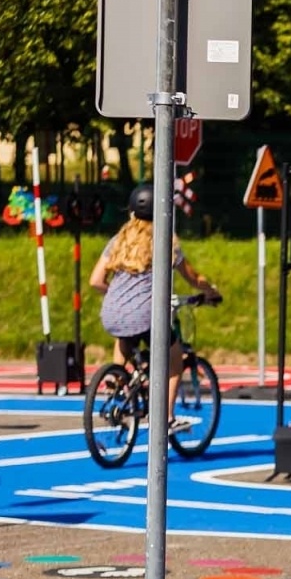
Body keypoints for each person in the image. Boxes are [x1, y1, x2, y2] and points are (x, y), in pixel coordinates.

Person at [89, 184, 220, 432]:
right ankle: (165, 418)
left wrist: (119, 295)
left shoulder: (119, 240)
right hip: (145, 316)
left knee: (125, 335)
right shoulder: (165, 242)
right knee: (174, 364)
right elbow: (193, 277)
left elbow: (95, 280)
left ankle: (118, 382)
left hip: (111, 313)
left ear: (131, 213)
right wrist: (211, 291)